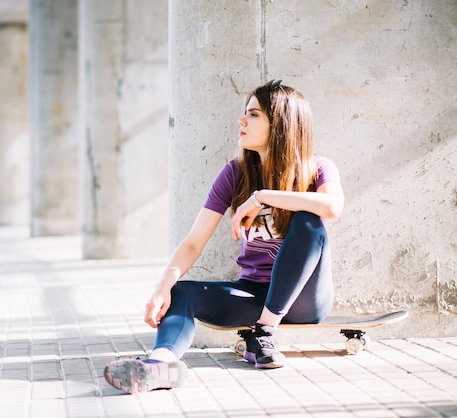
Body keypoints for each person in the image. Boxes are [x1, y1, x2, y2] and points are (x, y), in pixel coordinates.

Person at [104, 80, 345, 394]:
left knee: (308, 222)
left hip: (304, 300)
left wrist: (262, 198)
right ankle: (159, 366)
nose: (241, 121)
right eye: (245, 113)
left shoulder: (318, 169)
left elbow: (332, 207)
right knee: (182, 292)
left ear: (281, 124)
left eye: (253, 115)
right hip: (253, 293)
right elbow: (193, 242)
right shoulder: (235, 174)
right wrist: (162, 287)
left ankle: (264, 332)